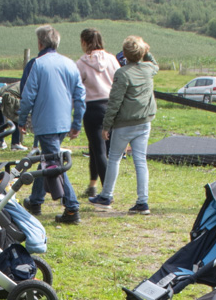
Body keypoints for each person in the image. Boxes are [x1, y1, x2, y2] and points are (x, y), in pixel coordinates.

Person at [16, 24, 85, 225]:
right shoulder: (70, 64)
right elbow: (80, 95)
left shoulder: (38, 64)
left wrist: (22, 120)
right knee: (47, 158)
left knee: (54, 164)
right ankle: (35, 201)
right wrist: (76, 122)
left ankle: (72, 208)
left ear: (40, 43)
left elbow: (28, 96)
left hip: (46, 122)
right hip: (63, 121)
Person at [90, 34, 156, 215]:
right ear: (142, 52)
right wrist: (147, 52)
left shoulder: (122, 73)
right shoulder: (149, 69)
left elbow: (114, 102)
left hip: (124, 124)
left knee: (114, 158)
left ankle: (106, 195)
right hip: (144, 122)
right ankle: (143, 201)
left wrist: (106, 125)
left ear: (124, 54)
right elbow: (154, 63)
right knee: (140, 161)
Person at [75, 28, 119, 199]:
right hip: (110, 105)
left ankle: (106, 192)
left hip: (92, 107)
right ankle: (92, 185)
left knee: (99, 150)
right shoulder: (112, 59)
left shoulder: (81, 63)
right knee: (96, 148)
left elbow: (77, 87)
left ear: (84, 42)